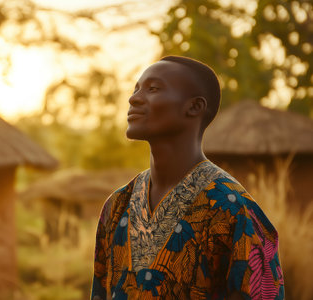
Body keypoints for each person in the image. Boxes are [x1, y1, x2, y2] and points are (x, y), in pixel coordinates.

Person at [91, 56, 284, 300]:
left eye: (153, 89)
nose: (134, 98)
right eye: (136, 89)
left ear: (194, 107)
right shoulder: (117, 206)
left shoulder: (232, 210)